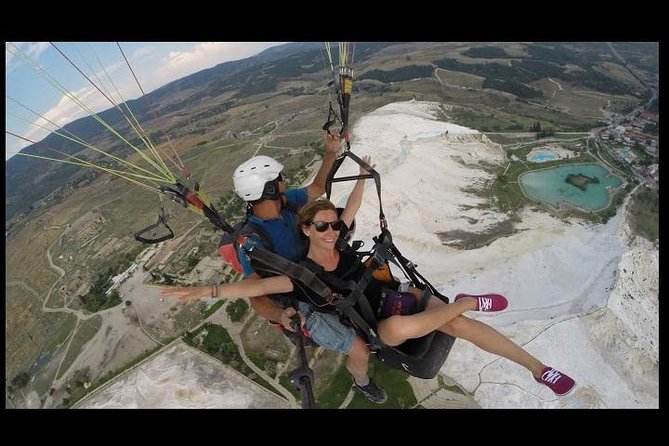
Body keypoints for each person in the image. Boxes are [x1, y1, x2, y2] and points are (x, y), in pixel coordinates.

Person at [163, 161, 577, 398]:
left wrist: (361, 174)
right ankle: (368, 377)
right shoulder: (296, 271)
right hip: (368, 319)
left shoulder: (326, 232)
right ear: (306, 231)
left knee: (456, 323)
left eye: (332, 227)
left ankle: (537, 368)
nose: (331, 232)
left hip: (383, 296)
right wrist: (208, 290)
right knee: (380, 337)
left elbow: (343, 205)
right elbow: (255, 288)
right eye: (321, 228)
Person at [162, 139, 388, 403]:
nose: (285, 183)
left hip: (321, 265)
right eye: (280, 180)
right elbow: (257, 294)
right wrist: (280, 314)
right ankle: (362, 382)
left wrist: (329, 154)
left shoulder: (286, 202)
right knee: (359, 350)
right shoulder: (253, 240)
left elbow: (317, 188)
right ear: (270, 189)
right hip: (300, 297)